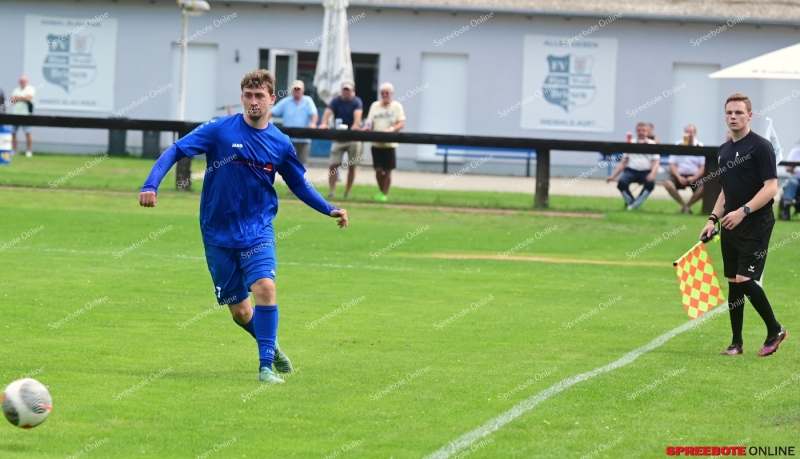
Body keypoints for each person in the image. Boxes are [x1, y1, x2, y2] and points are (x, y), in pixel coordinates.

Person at [139, 70, 349, 383]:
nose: (253, 101)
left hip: (257, 229)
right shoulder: (219, 130)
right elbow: (176, 150)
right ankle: (272, 345)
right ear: (242, 98)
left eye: (260, 96)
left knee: (266, 287)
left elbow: (299, 184)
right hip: (217, 231)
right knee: (240, 312)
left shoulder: (280, 143)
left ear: (271, 99)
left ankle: (265, 366)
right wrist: (151, 183)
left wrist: (328, 208)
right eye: (248, 95)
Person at [700, 93, 786, 357]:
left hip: (756, 222)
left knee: (745, 278)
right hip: (730, 224)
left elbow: (771, 188)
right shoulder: (724, 150)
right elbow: (725, 191)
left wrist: (744, 211)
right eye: (729, 113)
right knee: (733, 282)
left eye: (739, 112)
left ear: (750, 115)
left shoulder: (761, 147)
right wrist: (713, 219)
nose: (733, 117)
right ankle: (736, 343)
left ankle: (775, 329)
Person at [320, 80, 363, 199]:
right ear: (341, 90)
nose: (346, 92)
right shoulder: (336, 100)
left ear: (352, 91)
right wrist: (324, 123)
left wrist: (355, 125)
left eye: (348, 90)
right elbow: (328, 112)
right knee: (333, 165)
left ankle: (347, 192)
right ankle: (332, 191)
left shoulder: (357, 101)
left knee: (352, 166)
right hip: (338, 137)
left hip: (353, 138)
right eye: (344, 89)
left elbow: (358, 114)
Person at [363, 82, 405, 202]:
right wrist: (367, 127)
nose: (385, 95)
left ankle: (384, 195)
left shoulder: (397, 107)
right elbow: (369, 121)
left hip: (390, 144)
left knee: (387, 171)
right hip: (376, 144)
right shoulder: (375, 106)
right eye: (382, 93)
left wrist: (391, 129)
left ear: (392, 94)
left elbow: (401, 123)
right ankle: (381, 191)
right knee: (378, 170)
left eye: (387, 93)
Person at [606, 122, 659, 210]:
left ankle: (634, 205)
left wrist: (653, 174)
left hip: (645, 171)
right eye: (639, 130)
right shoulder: (630, 143)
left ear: (647, 132)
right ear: (636, 131)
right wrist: (613, 175)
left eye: (643, 130)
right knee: (621, 183)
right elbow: (624, 162)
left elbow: (656, 162)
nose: (641, 132)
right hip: (631, 170)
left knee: (650, 184)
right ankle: (632, 203)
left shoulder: (652, 144)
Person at [270, 79, 318, 166]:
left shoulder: (308, 100)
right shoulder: (286, 101)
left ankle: (301, 179)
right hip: (289, 139)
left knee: (303, 164)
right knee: (290, 164)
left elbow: (314, 114)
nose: (297, 91)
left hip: (304, 138)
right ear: (292, 90)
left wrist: (313, 123)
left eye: (298, 89)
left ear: (303, 90)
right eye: (295, 89)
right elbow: (271, 113)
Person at [664, 124, 705, 214]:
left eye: (691, 132)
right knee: (668, 184)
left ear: (695, 134)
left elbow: (703, 167)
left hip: (695, 176)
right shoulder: (677, 145)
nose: (689, 134)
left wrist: (694, 177)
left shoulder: (700, 146)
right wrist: (678, 177)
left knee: (706, 187)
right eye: (687, 132)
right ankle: (684, 206)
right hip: (678, 176)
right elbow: (672, 165)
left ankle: (687, 206)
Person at [10, 75, 36, 157]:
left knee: (28, 132)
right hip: (16, 114)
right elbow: (11, 100)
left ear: (27, 81)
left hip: (26, 115)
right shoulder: (16, 90)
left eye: (24, 81)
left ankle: (28, 152)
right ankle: (15, 151)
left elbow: (28, 98)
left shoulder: (30, 89)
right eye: (21, 81)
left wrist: (17, 98)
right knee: (13, 133)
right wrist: (22, 97)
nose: (22, 83)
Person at [778, 146, 800, 220]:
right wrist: (796, 163)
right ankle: (786, 211)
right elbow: (787, 169)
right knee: (792, 183)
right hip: (795, 178)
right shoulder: (795, 152)